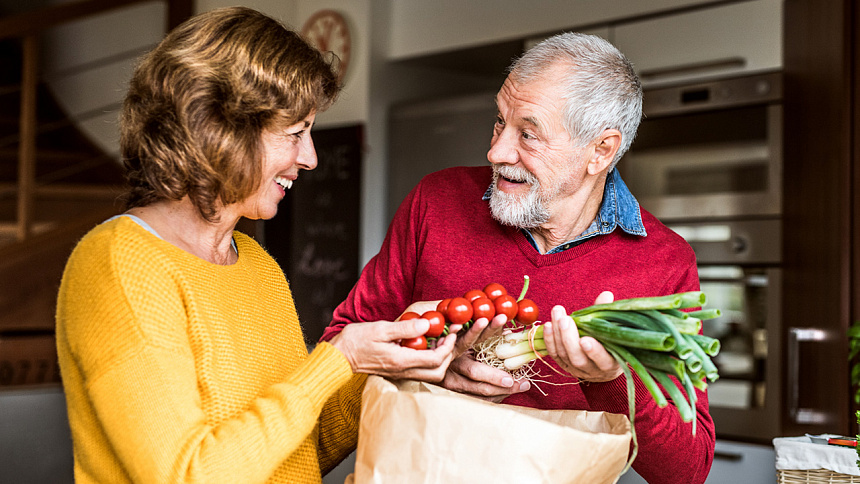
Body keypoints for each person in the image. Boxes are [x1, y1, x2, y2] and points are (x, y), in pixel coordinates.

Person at [54, 7, 457, 484]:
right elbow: (189, 475)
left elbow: (301, 450)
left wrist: (396, 362)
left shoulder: (258, 266)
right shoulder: (119, 263)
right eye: (294, 133)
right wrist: (339, 358)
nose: (309, 158)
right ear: (219, 130)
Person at [321, 32, 715, 483]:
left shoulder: (663, 262)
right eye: (499, 123)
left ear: (600, 150)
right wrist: (426, 367)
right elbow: (341, 348)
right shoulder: (436, 201)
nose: (497, 151)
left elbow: (688, 471)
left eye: (527, 134)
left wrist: (610, 381)